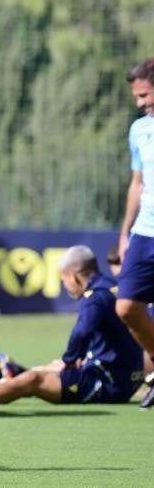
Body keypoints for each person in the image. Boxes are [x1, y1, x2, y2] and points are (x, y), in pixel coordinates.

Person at [0, 246, 142, 406]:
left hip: (109, 384)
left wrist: (71, 360)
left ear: (74, 276)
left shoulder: (93, 297)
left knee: (34, 380)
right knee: (53, 366)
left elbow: (81, 332)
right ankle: (16, 371)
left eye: (64, 280)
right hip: (128, 378)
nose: (65, 286)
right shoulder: (113, 287)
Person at [116, 58, 154, 404]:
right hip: (145, 232)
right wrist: (125, 233)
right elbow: (137, 183)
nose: (140, 103)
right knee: (126, 306)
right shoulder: (139, 129)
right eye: (137, 97)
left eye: (145, 95)